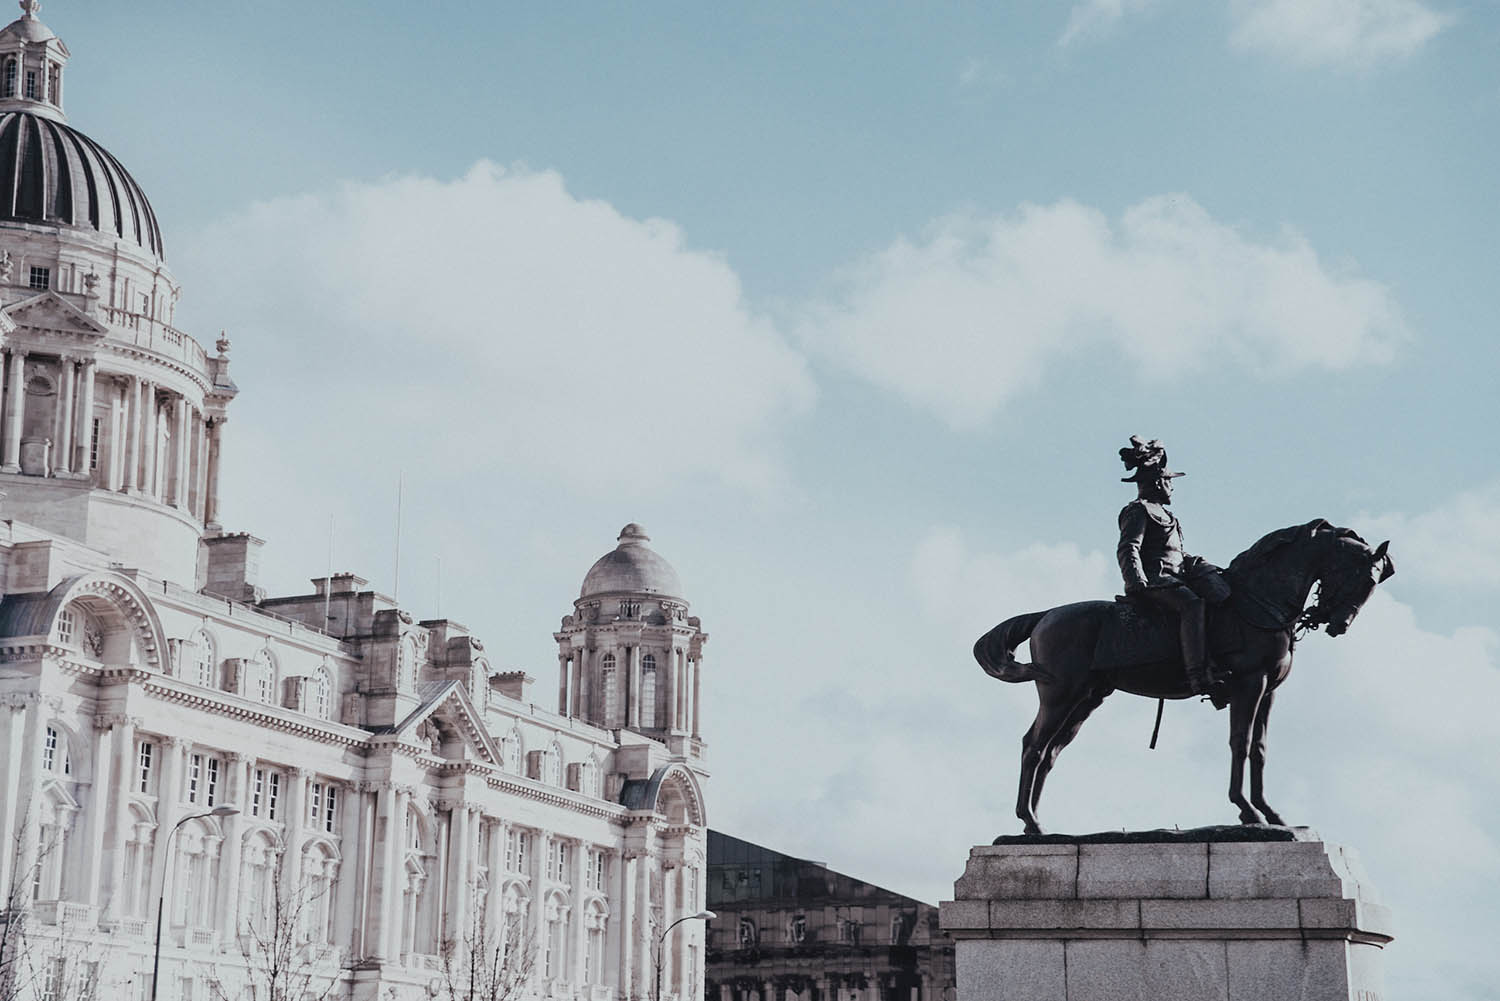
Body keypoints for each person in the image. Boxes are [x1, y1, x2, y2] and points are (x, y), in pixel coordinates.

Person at [1116, 436, 1227, 705]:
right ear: (1157, 482)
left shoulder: (1169, 517)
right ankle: (1198, 675)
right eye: (1169, 481)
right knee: (1192, 605)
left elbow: (1177, 554)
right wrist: (1137, 580)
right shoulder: (1139, 511)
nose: (1172, 488)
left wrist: (1206, 569)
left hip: (1177, 578)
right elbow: (1129, 547)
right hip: (1157, 580)